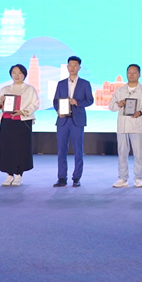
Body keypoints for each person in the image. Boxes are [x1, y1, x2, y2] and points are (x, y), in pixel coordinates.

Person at [108, 64, 142, 188]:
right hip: (122, 126)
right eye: (129, 72)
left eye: (134, 72)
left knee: (138, 154)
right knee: (122, 153)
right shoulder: (120, 91)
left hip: (137, 125)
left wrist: (141, 112)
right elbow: (111, 106)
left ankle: (138, 178)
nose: (131, 75)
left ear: (139, 74)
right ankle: (122, 178)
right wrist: (118, 104)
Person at [52, 56, 95, 188]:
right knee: (61, 150)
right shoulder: (61, 84)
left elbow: (90, 100)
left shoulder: (85, 84)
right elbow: (55, 101)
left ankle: (76, 178)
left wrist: (77, 102)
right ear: (67, 67)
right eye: (70, 65)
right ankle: (61, 178)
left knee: (78, 150)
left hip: (77, 120)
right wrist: (59, 110)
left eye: (75, 65)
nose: (72, 67)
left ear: (79, 68)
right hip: (63, 120)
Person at [0, 64, 40, 186]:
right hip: (7, 121)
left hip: (22, 121)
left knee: (21, 148)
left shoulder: (30, 89)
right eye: (14, 73)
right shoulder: (5, 89)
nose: (17, 75)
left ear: (24, 75)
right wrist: (1, 101)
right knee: (6, 147)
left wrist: (23, 111)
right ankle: (9, 174)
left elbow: (35, 104)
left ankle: (19, 174)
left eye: (20, 73)